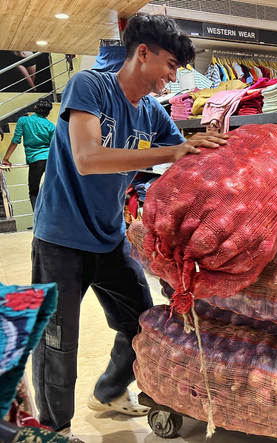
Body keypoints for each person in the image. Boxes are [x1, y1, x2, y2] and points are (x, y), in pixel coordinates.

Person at [30, 14, 229, 443]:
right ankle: (53, 430)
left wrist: (218, 152)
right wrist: (173, 151)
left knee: (143, 322)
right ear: (143, 53)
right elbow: (88, 157)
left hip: (109, 237)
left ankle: (108, 391)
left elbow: (185, 158)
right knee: (57, 342)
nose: (173, 76)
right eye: (171, 65)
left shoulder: (153, 111)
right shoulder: (90, 86)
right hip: (60, 239)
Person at [2, 99, 55, 211]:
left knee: (33, 192)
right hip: (51, 160)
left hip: (36, 160)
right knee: (52, 190)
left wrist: (6, 159)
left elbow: (15, 140)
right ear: (48, 112)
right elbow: (55, 146)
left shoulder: (24, 120)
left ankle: (38, 223)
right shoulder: (51, 126)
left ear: (35, 107)